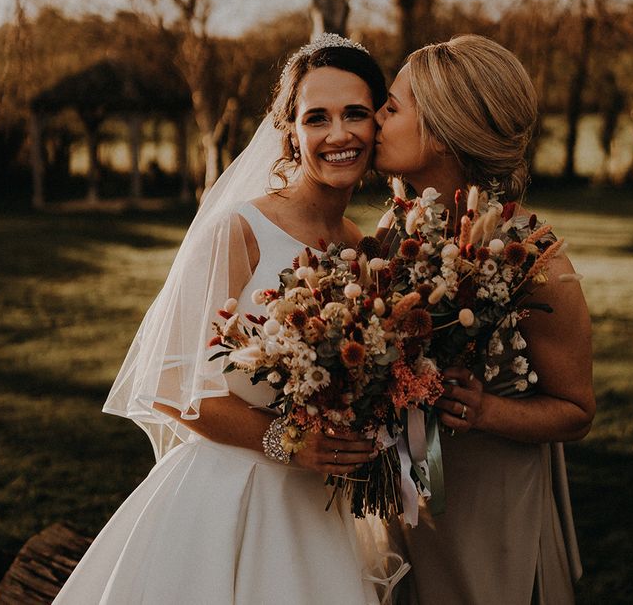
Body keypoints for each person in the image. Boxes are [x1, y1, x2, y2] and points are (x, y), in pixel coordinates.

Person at [53, 34, 405, 605]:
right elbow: (167, 384)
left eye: (355, 114)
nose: (338, 135)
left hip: (319, 509)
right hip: (227, 500)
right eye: (317, 118)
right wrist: (287, 442)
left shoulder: (363, 250)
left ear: (377, 125)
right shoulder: (241, 230)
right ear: (290, 131)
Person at [373, 34, 595, 605]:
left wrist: (489, 410)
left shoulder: (537, 263)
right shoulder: (392, 232)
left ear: (443, 132)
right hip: (405, 499)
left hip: (491, 506)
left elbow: (576, 412)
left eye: (392, 107)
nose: (376, 117)